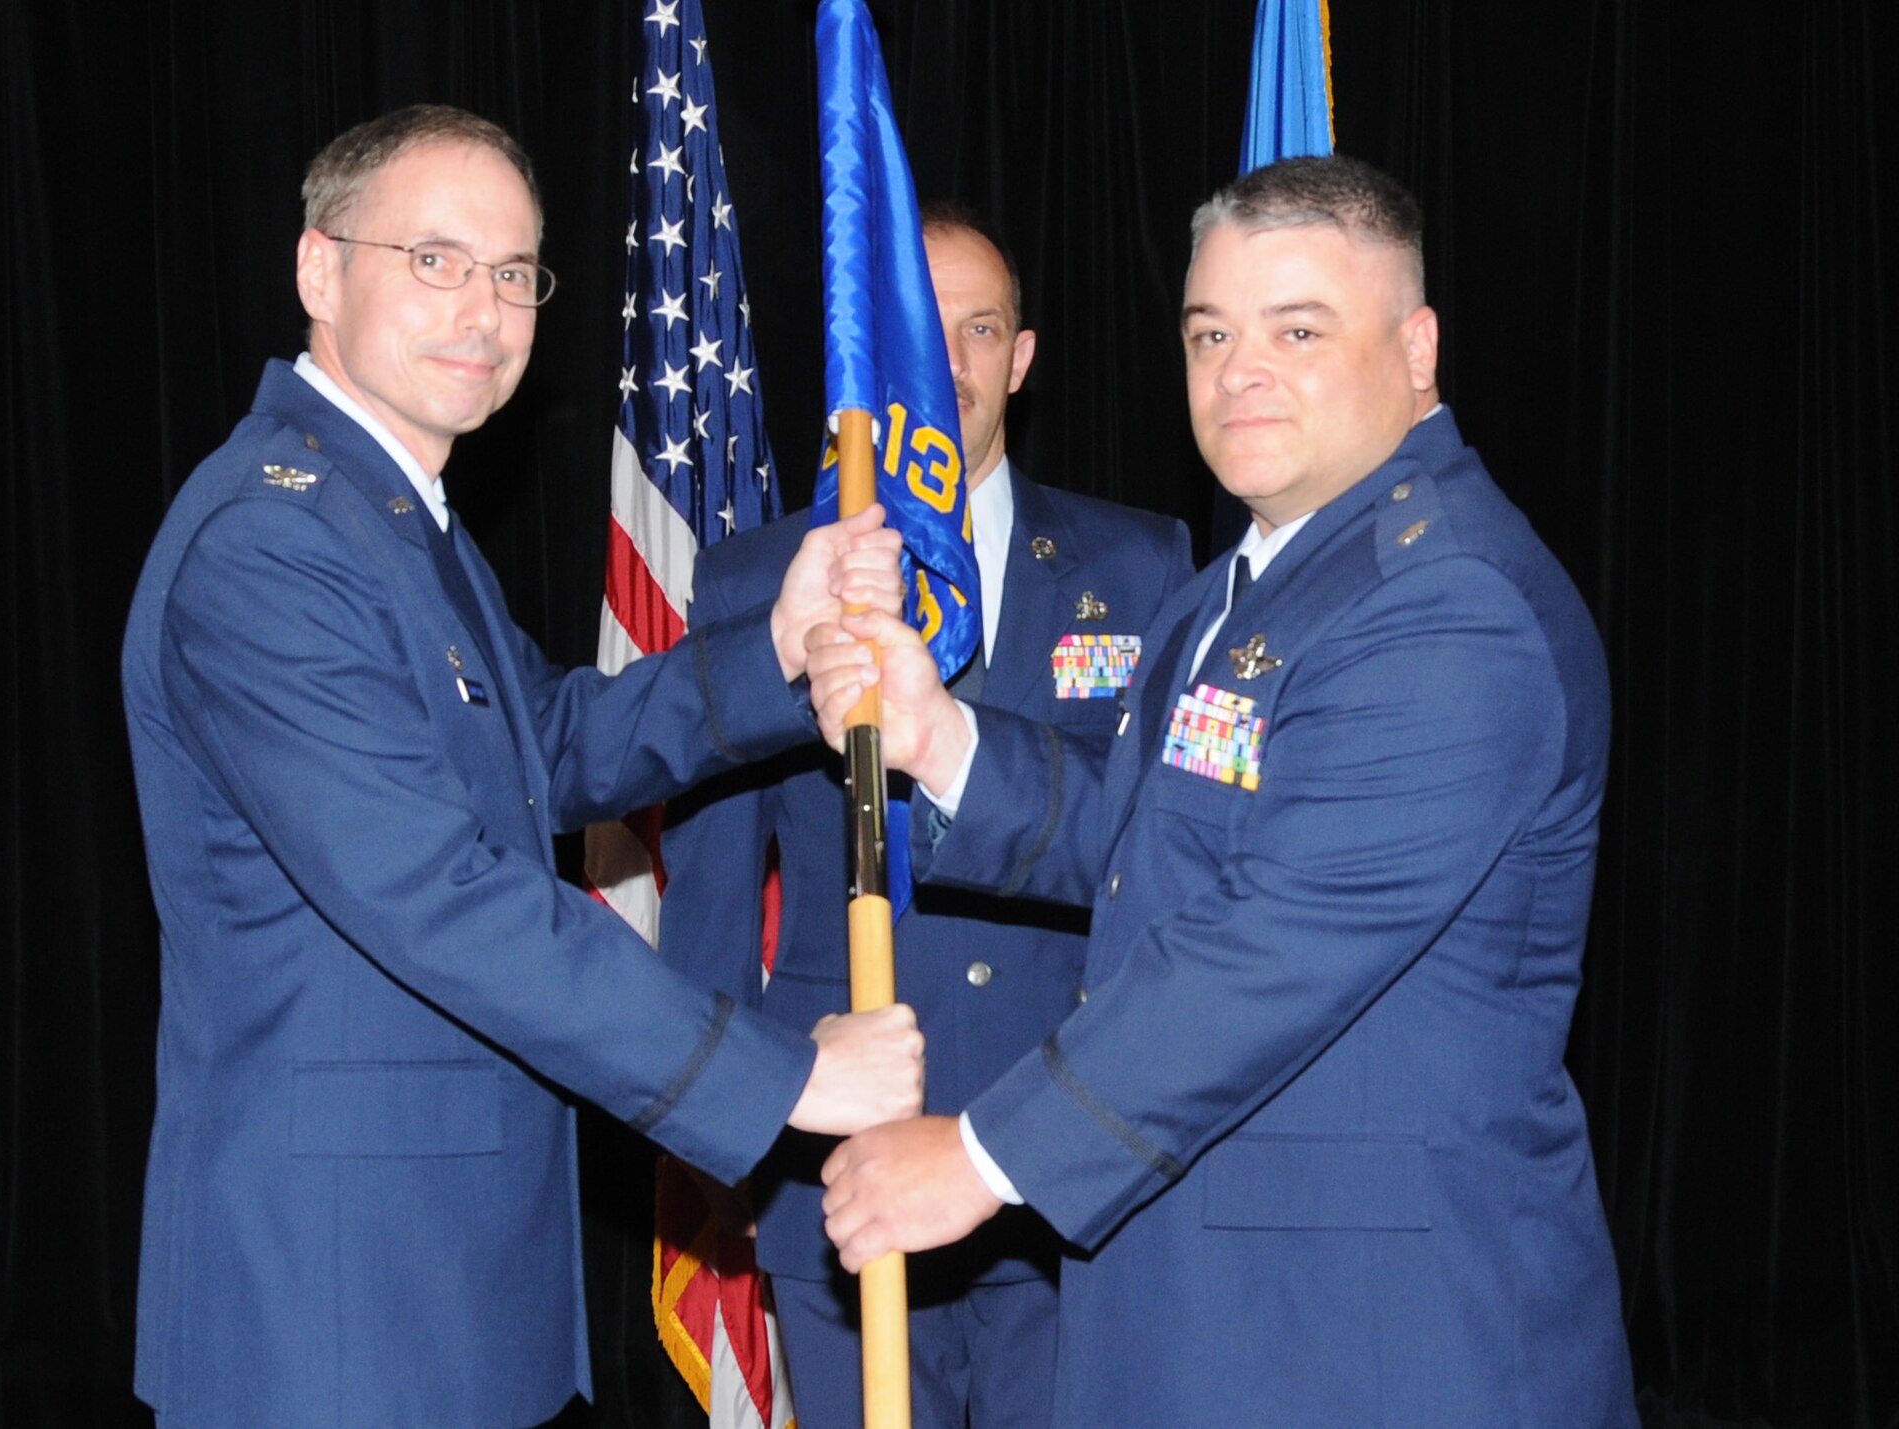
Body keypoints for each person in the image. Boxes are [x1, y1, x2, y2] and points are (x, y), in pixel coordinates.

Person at [120, 104, 925, 1429]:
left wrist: (776, 646)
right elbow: (441, 893)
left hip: (440, 1281)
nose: (481, 310)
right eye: (433, 259)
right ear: (321, 272)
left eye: (512, 274)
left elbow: (536, 745)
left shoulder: (386, 516)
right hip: (335, 1300)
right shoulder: (271, 544)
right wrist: (784, 1076)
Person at [806, 156, 1639, 1426]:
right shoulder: (1248, 582)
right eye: (1209, 332)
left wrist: (983, 1152)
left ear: (1415, 349)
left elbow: (1274, 944)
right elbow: (1162, 847)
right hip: (1210, 1302)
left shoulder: (1447, 605)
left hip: (1374, 1335)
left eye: (1296, 330)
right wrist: (940, 741)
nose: (1238, 369)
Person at [659, 207, 1192, 1428]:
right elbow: (711, 878)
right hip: (837, 1162)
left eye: (980, 329)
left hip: (1062, 1149)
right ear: (866, 362)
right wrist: (719, 1127)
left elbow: (1163, 862)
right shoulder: (760, 580)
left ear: (1022, 357)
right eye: (918, 335)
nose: (948, 366)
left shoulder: (1141, 562)